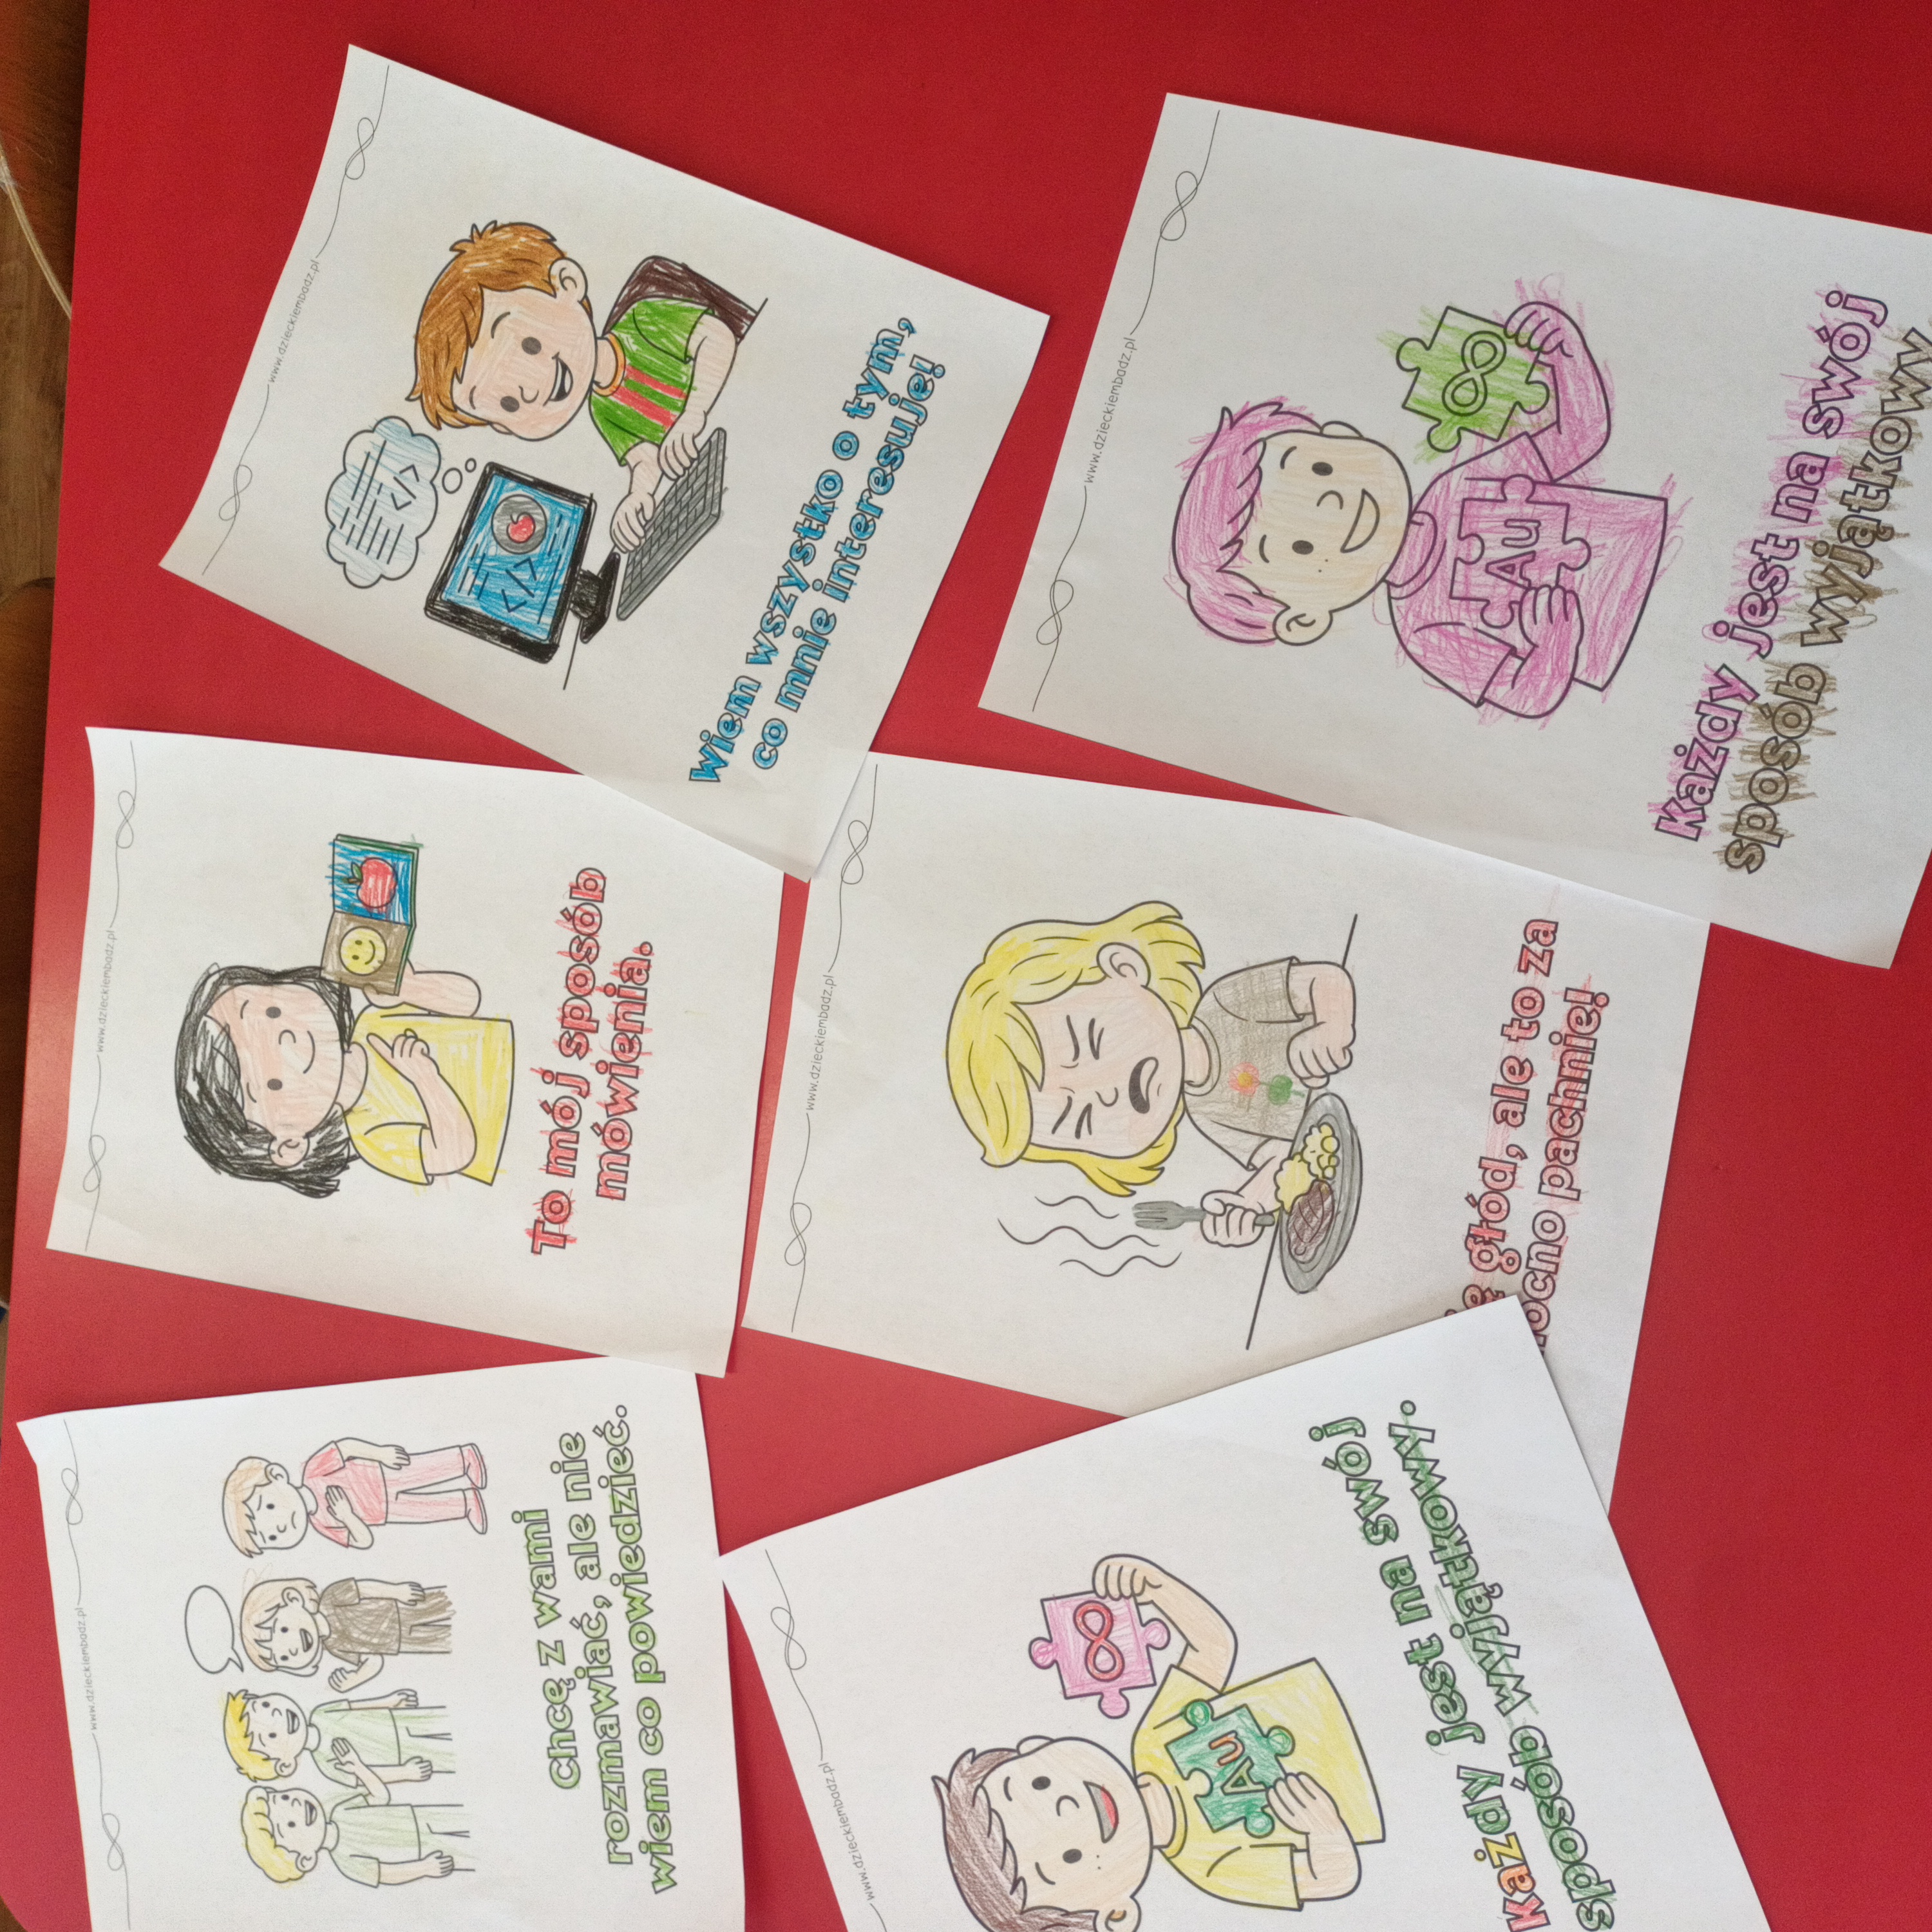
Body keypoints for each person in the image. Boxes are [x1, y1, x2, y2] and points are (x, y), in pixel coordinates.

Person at [1171, 303, 1666, 719]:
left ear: (1342, 436)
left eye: (1321, 470)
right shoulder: (1424, 632)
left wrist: (1564, 352)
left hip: (1672, 546)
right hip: (1644, 662)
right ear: (1304, 619)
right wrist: (1554, 647)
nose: (1332, 505)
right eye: (1302, 545)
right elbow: (1523, 695)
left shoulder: (1460, 485)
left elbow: (1580, 436)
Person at [936, 1557, 1379, 1925]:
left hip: (1363, 1672)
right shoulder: (1212, 1867)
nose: (1070, 1810)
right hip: (1387, 1783)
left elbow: (1212, 1647)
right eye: (1070, 1855)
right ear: (1117, 1914)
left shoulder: (1153, 1739)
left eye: (1040, 1786)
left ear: (1038, 1746)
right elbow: (1331, 1879)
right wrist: (1325, 1829)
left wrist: (1159, 1589)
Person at [947, 903, 1356, 1245]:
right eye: (1084, 1119)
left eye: (1092, 1043)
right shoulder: (1208, 1114)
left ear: (1124, 967)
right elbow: (1280, 1157)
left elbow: (1327, 980)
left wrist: (1332, 1025)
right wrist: (1250, 1202)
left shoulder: (1226, 1004)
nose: (1105, 1092)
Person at [411, 220, 756, 550]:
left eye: (530, 345)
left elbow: (718, 338)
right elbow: (644, 458)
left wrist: (694, 415)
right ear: (505, 428)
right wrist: (638, 496)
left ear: (567, 284)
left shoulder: (642, 321)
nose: (533, 389)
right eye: (509, 404)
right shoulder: (603, 411)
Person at [175, 960, 513, 1197]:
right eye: (273, 1083)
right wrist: (426, 1079)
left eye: (272, 1013)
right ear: (291, 1144)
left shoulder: (373, 1020)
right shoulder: (372, 1139)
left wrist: (411, 988)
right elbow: (456, 1153)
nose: (286, 1040)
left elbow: (468, 999)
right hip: (518, 1138)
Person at [222, 1439, 488, 1553]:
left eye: (269, 1506)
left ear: (278, 1475)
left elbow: (345, 1448)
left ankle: (463, 1459)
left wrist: (380, 1453)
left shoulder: (313, 1472)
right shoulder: (322, 1525)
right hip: (384, 1513)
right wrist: (348, 1517)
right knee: (424, 1511)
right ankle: (465, 1504)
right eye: (271, 1538)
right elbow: (364, 1541)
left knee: (422, 1469)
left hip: (380, 1474)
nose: (280, 1527)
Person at [240, 1765, 468, 1887]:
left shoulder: (341, 1810)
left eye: (284, 1798)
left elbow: (380, 1796)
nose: (296, 1806)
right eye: (290, 1824)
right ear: (306, 1859)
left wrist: (359, 1767)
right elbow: (387, 1873)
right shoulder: (347, 1862)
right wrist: (425, 1868)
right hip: (424, 1852)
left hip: (423, 1817)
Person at [238, 1577, 451, 1694]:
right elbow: (374, 1660)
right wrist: (355, 1680)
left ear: (293, 1598)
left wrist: (397, 1591)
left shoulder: (330, 1598)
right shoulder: (334, 1647)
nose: (292, 1648)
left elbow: (364, 1589)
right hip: (405, 1643)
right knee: (448, 1640)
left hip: (404, 1608)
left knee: (449, 1604)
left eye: (283, 1630)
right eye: (284, 1657)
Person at [223, 1687, 451, 1786]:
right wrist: (406, 1773)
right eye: (271, 1735)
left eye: (264, 1705)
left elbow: (357, 1706)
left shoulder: (321, 1713)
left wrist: (391, 1701)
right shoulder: (327, 1765)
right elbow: (368, 1777)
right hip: (401, 1755)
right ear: (285, 1765)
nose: (276, 1716)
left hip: (398, 1721)